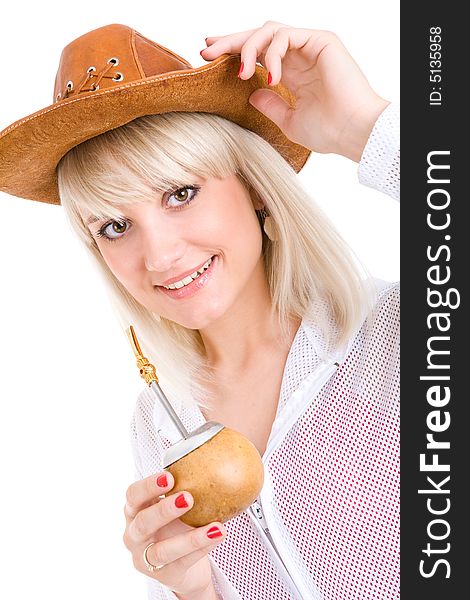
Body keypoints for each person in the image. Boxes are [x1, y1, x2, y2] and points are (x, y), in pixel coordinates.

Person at [0, 20, 399, 600]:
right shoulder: (162, 425)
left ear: (256, 189)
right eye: (115, 227)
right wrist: (194, 592)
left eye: (180, 193)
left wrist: (369, 130)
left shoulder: (400, 332)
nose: (159, 256)